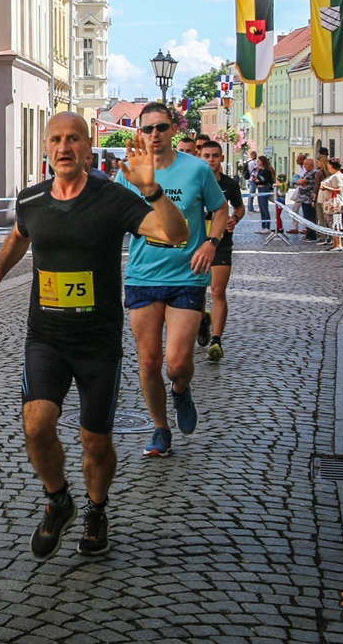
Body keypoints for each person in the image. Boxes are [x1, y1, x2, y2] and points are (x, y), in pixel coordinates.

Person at [0, 112, 188, 561]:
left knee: (96, 440)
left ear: (88, 149)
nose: (64, 147)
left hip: (98, 343)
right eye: (56, 139)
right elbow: (20, 235)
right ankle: (59, 500)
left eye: (73, 139)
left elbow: (176, 234)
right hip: (46, 337)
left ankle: (96, 510)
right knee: (36, 425)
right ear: (45, 148)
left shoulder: (112, 198)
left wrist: (151, 189)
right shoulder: (32, 199)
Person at [115, 103, 227, 457]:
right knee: (149, 361)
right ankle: (160, 429)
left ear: (173, 130)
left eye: (161, 127)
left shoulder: (196, 169)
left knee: (177, 363)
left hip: (187, 275)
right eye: (148, 129)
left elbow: (220, 209)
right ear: (139, 133)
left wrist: (211, 242)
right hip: (143, 275)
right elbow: (111, 218)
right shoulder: (129, 172)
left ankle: (180, 390)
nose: (155, 135)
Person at [199, 141, 245, 362]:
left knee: (217, 291)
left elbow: (240, 207)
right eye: (206, 156)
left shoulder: (229, 184)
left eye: (215, 156)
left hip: (221, 243)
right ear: (200, 157)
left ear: (222, 158)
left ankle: (216, 340)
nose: (211, 160)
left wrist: (234, 218)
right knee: (197, 292)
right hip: (197, 243)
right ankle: (202, 320)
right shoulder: (194, 181)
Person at [318, 158, 343, 251]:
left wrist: (326, 188)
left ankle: (338, 244)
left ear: (332, 166)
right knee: (331, 223)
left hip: (334, 204)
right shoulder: (335, 176)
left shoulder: (337, 176)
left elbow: (340, 189)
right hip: (330, 204)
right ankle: (335, 243)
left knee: (335, 223)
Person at [296, 158, 318, 242]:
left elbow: (301, 181)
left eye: (306, 164)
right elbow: (299, 181)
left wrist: (301, 182)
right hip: (304, 199)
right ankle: (308, 234)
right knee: (306, 217)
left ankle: (312, 235)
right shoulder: (306, 173)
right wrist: (300, 181)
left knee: (310, 217)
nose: (304, 166)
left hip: (309, 199)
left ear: (311, 165)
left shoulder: (313, 173)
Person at [286, 153, 308, 234]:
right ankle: (295, 227)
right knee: (294, 209)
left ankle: (307, 228)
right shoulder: (300, 168)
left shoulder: (306, 168)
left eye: (298, 159)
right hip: (300, 189)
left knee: (306, 210)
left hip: (306, 192)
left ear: (302, 160)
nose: (296, 161)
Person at [254, 155, 275, 233]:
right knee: (261, 208)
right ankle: (263, 226)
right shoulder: (260, 170)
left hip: (264, 188)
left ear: (262, 161)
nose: (257, 162)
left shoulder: (267, 170)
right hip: (260, 188)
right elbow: (259, 179)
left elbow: (266, 181)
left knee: (265, 208)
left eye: (259, 160)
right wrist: (256, 180)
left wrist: (258, 181)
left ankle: (267, 226)